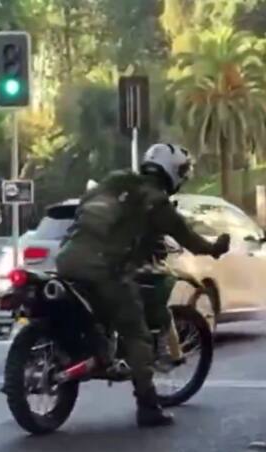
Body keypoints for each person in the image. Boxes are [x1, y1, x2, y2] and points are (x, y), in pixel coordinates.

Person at [56, 143, 230, 428]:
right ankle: (148, 407)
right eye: (182, 172)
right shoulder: (156, 201)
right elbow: (188, 238)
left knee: (95, 311)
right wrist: (215, 248)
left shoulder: (115, 180)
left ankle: (93, 350)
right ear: (172, 171)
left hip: (66, 259)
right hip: (104, 267)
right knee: (136, 331)